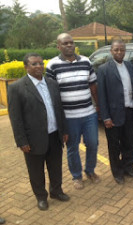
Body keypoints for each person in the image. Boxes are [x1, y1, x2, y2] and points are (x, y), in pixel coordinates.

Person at [8, 53, 70, 211]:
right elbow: (15, 117)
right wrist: (21, 141)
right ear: (26, 66)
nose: (39, 67)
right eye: (34, 64)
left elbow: (59, 109)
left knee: (55, 167)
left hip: (54, 134)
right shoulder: (17, 88)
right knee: (36, 171)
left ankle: (56, 191)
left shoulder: (52, 83)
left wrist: (63, 131)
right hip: (33, 139)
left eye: (41, 63)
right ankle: (41, 197)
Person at [46, 33, 100, 190]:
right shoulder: (52, 65)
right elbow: (51, 93)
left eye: (71, 43)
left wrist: (98, 106)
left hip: (88, 113)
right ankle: (76, 176)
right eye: (65, 43)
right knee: (72, 147)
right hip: (68, 117)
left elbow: (93, 86)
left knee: (93, 144)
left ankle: (90, 171)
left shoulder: (85, 61)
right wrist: (58, 119)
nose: (69, 45)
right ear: (58, 46)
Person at [97, 38, 133, 184]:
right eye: (116, 50)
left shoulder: (131, 67)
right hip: (113, 115)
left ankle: (128, 168)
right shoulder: (104, 69)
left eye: (122, 49)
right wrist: (105, 117)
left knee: (129, 143)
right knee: (114, 146)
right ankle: (117, 173)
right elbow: (101, 95)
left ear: (125, 51)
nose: (119, 52)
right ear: (111, 51)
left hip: (129, 112)